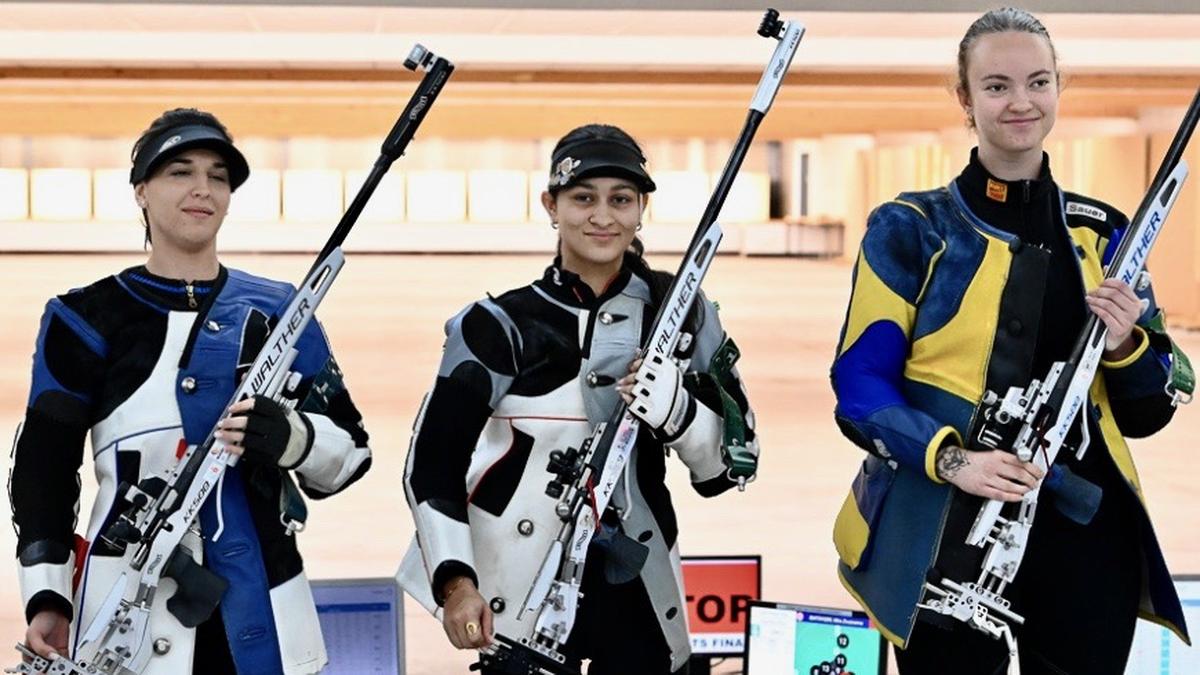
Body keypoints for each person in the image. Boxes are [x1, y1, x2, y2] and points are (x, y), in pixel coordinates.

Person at [830, 7, 1192, 674]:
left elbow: (1156, 405)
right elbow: (858, 384)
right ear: (964, 99)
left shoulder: (1106, 233)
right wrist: (952, 460)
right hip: (943, 532)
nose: (1020, 102)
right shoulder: (912, 227)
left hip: (1085, 541)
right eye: (996, 86)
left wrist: (1125, 346)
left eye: (1038, 82)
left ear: (1059, 88)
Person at [9, 108, 373, 675]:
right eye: (180, 171)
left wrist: (292, 438)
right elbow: (43, 471)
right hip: (122, 614)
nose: (202, 189)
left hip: (266, 611)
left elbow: (350, 456)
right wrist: (48, 592)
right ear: (141, 192)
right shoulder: (84, 318)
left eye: (218, 176)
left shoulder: (280, 312)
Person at [398, 123, 759, 674]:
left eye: (621, 199)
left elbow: (731, 467)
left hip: (640, 583)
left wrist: (677, 412)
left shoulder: (683, 309)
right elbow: (433, 463)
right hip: (518, 599)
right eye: (582, 198)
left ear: (642, 209)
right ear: (551, 204)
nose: (602, 216)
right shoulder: (496, 325)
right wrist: (455, 583)